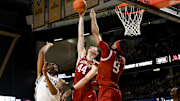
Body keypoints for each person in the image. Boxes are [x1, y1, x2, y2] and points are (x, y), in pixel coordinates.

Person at [90, 9, 135, 101]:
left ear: (116, 46)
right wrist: (96, 64)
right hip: (116, 93)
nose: (113, 43)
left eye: (115, 42)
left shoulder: (107, 52)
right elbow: (109, 69)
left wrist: (93, 17)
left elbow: (95, 33)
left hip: (107, 92)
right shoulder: (122, 60)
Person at [60, 10, 99, 101]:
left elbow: (86, 79)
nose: (91, 46)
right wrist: (81, 17)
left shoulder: (95, 65)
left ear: (96, 53)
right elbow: (80, 36)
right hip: (76, 91)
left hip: (88, 92)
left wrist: (70, 89)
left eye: (94, 47)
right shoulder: (82, 56)